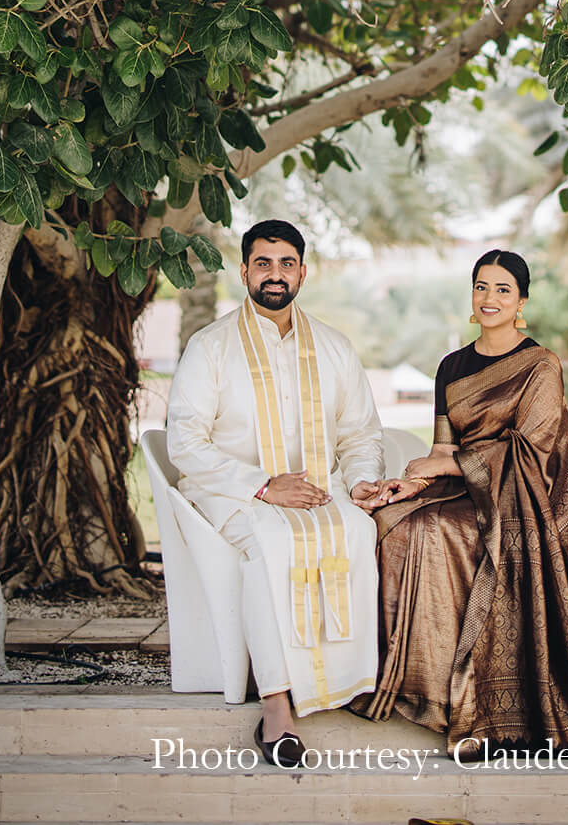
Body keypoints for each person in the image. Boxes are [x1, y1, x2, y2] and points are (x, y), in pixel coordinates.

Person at [351, 249, 568, 759]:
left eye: (503, 290)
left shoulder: (540, 365)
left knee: (437, 532)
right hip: (463, 489)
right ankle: (409, 684)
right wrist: (412, 485)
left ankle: (462, 698)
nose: (490, 298)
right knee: (389, 522)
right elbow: (442, 452)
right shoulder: (452, 366)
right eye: (482, 287)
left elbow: (532, 450)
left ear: (522, 302)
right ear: (472, 295)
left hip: (519, 499)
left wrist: (447, 468)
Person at [165, 219, 385, 768]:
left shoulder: (334, 347)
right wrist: (264, 486)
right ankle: (277, 705)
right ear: (243, 271)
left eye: (286, 263)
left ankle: (347, 682)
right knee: (271, 545)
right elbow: (185, 442)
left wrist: (358, 481)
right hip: (231, 490)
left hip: (315, 490)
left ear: (303, 272)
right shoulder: (210, 345)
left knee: (358, 529)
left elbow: (361, 434)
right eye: (263, 263)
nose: (275, 274)